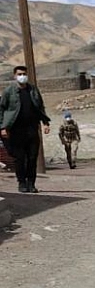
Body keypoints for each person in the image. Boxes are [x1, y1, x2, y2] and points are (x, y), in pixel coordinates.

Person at [0, 65, 51, 193]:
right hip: (16, 130)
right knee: (20, 158)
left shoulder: (33, 90)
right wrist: (2, 127)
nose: (22, 76)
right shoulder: (9, 91)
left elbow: (40, 107)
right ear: (14, 76)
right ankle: (21, 182)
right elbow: (1, 109)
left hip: (32, 129)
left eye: (24, 74)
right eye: (19, 74)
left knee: (32, 157)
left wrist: (45, 123)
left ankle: (31, 183)